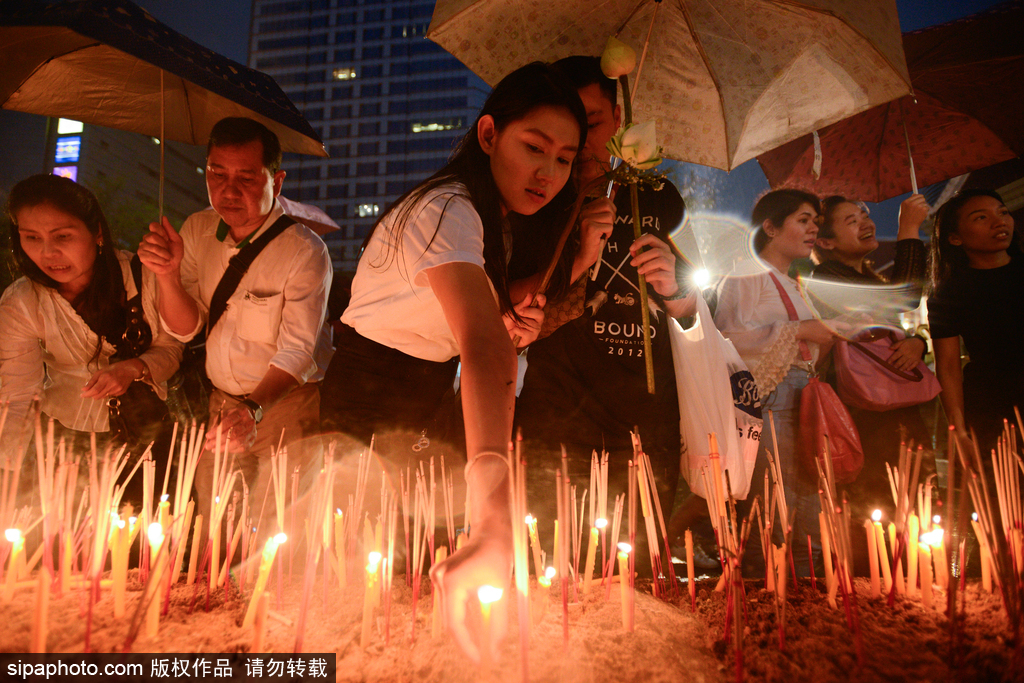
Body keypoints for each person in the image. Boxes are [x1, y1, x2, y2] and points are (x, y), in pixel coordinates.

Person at [321, 62, 586, 661]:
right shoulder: (448, 210)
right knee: (363, 575)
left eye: (565, 159)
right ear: (489, 135)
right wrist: (494, 508)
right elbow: (480, 341)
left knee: (409, 572)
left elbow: (478, 320)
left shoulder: (493, 218)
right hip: (372, 398)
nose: (548, 172)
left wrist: (507, 316)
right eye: (534, 147)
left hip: (423, 391)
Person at [512, 56, 696, 565]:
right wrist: (578, 255)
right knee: (550, 572)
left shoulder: (659, 196)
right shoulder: (540, 198)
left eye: (592, 124)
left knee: (633, 577)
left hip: (646, 416)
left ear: (620, 117)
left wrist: (676, 289)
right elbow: (516, 320)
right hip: (559, 416)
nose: (582, 142)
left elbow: (699, 309)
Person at [137, 117, 333, 548]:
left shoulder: (305, 251)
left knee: (281, 527)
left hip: (283, 405)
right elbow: (188, 329)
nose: (229, 190)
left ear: (276, 181)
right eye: (216, 174)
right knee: (215, 522)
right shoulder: (195, 230)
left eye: (246, 177)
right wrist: (167, 275)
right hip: (221, 401)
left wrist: (252, 410)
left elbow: (298, 352)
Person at [0, 174, 181, 499]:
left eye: (63, 236)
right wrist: (7, 467)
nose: (48, 252)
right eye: (31, 237)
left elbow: (171, 348)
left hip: (147, 437)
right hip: (66, 443)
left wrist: (133, 368)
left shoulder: (142, 275)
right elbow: (19, 394)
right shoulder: (23, 302)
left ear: (97, 232)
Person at [714, 189, 840, 576]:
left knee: (807, 500)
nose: (813, 229)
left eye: (816, 222)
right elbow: (730, 336)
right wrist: (804, 329)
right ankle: (767, 592)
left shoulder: (789, 281)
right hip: (772, 396)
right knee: (775, 499)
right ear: (769, 226)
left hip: (799, 393)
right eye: (803, 220)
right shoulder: (746, 273)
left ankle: (805, 591)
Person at [809, 195, 932, 522]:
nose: (867, 222)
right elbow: (904, 297)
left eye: (864, 214)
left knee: (917, 501)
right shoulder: (826, 279)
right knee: (880, 510)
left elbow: (892, 327)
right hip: (864, 415)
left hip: (896, 408)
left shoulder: (869, 278)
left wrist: (918, 342)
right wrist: (908, 227)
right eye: (851, 221)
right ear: (826, 241)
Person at [927, 189, 1023, 456]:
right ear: (954, 238)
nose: (999, 221)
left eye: (1003, 212)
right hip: (993, 405)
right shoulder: (948, 293)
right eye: (981, 218)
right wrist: (958, 430)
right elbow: (948, 366)